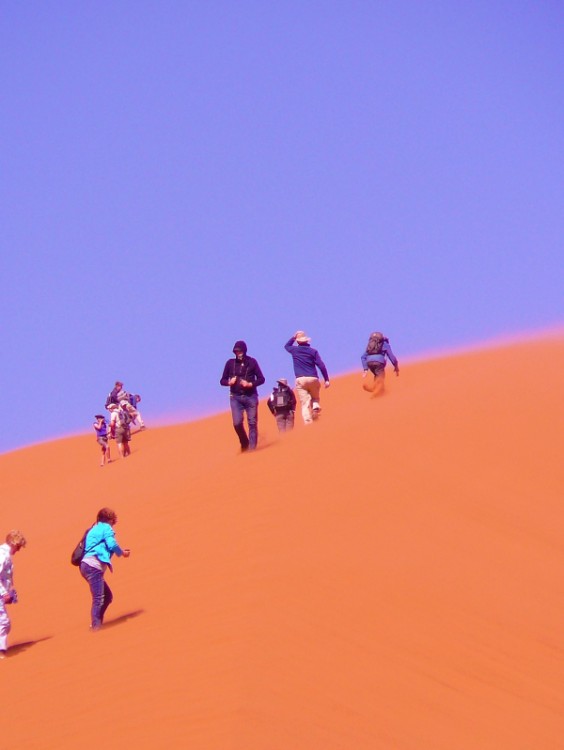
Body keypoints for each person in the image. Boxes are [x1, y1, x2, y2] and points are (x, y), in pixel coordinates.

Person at [79, 508, 130, 631]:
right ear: (109, 520)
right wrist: (122, 553)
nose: (114, 524)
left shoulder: (94, 529)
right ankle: (96, 627)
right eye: (113, 521)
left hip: (85, 566)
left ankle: (98, 623)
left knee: (107, 596)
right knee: (99, 598)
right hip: (93, 566)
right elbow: (112, 544)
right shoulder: (106, 528)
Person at [220, 340, 265, 452]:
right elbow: (222, 380)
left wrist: (250, 384)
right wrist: (229, 383)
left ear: (244, 351)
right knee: (237, 423)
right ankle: (244, 442)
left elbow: (261, 379)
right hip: (235, 398)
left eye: (240, 351)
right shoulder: (230, 363)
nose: (238, 353)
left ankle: (252, 449)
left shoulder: (252, 362)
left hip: (251, 397)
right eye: (236, 351)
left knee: (252, 423)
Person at [284, 331, 330, 424]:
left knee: (304, 403)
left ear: (298, 341)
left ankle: (308, 423)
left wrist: (293, 337)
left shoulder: (294, 350)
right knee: (315, 397)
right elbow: (321, 365)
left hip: (300, 379)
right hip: (313, 378)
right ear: (307, 341)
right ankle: (315, 407)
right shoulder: (313, 351)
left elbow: (286, 346)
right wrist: (326, 379)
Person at [0, 530, 27, 658]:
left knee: (5, 623)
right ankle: (1, 651)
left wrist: (8, 591)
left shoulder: (4, 554)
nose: (19, 550)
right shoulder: (2, 555)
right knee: (4, 622)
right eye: (18, 546)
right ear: (13, 543)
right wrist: (4, 593)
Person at [361, 332, 399, 396]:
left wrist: (365, 369)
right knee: (381, 377)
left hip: (369, 363)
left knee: (377, 375)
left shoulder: (370, 346)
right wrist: (396, 366)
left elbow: (363, 357)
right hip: (379, 362)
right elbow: (392, 357)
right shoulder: (385, 344)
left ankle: (377, 389)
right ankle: (375, 389)